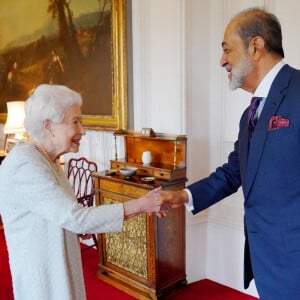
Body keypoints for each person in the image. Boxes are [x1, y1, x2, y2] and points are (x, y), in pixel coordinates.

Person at [160, 7, 300, 300]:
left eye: (227, 50)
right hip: (266, 263)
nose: (222, 60)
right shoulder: (249, 114)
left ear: (255, 46)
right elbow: (234, 171)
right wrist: (183, 196)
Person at [0, 84, 166, 300]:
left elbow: (60, 215)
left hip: (59, 266)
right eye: (75, 122)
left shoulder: (47, 160)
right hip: (43, 278)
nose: (83, 130)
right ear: (49, 127)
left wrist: (77, 228)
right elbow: (77, 217)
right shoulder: (25, 164)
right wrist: (141, 205)